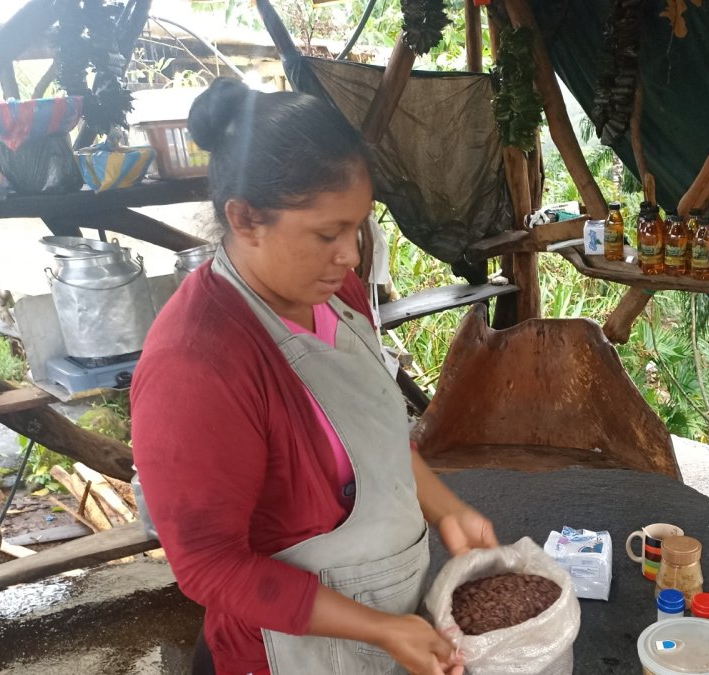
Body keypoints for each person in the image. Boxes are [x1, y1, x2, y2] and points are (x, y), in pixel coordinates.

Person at [131, 77, 498, 675]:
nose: (351, 255)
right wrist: (379, 629)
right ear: (245, 218)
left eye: (358, 227)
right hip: (288, 653)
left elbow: (367, 435)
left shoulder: (336, 292)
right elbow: (208, 567)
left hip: (391, 622)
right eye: (327, 234)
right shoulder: (196, 365)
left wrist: (446, 509)